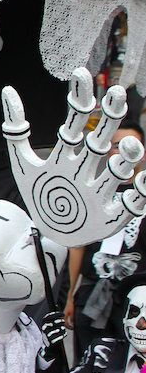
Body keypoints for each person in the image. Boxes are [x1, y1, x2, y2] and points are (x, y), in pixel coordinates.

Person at [65, 122, 146, 355]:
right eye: (117, 146)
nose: (123, 152)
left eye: (131, 146)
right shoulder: (91, 192)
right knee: (90, 359)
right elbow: (77, 247)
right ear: (108, 151)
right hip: (91, 294)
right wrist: (69, 295)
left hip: (137, 301)